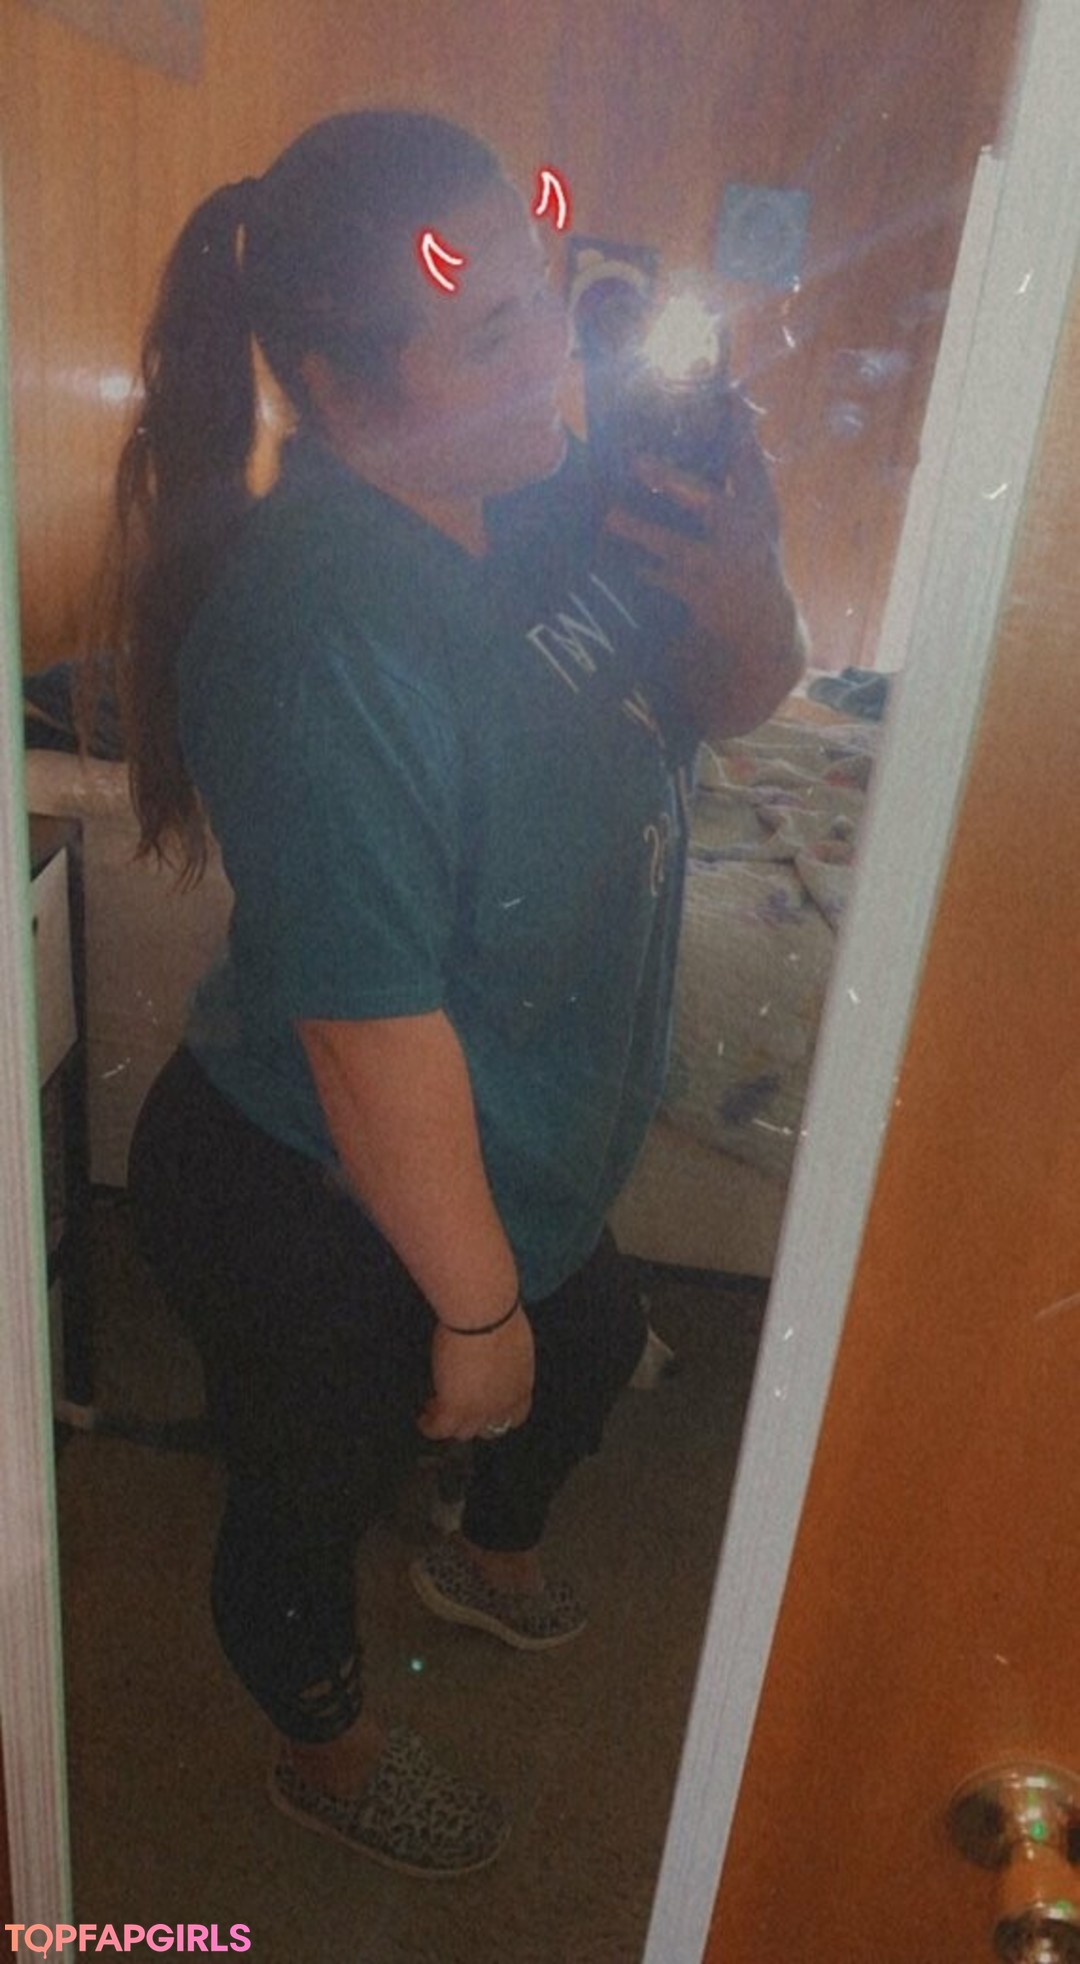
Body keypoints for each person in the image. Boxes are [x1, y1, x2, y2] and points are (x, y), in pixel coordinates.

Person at [91, 109, 805, 1878]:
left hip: (515, 1145)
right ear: (341, 394)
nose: (555, 353)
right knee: (308, 1492)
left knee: (585, 1358)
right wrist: (472, 1314)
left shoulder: (556, 495)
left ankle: (482, 1554)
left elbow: (734, 698)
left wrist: (740, 580)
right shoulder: (320, 624)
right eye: (490, 333)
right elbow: (364, 1029)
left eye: (548, 296)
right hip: (311, 1186)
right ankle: (326, 1750)